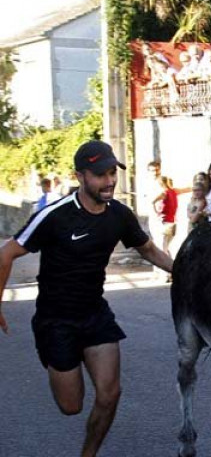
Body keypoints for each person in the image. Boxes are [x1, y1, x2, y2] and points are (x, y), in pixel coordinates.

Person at [0, 140, 173, 457]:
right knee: (71, 406)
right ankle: (58, 361)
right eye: (99, 175)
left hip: (95, 315)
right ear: (80, 176)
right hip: (56, 320)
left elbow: (147, 249)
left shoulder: (120, 215)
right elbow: (6, 253)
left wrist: (185, 274)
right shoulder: (55, 216)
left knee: (110, 395)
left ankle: (88, 455)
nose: (108, 182)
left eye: (111, 173)